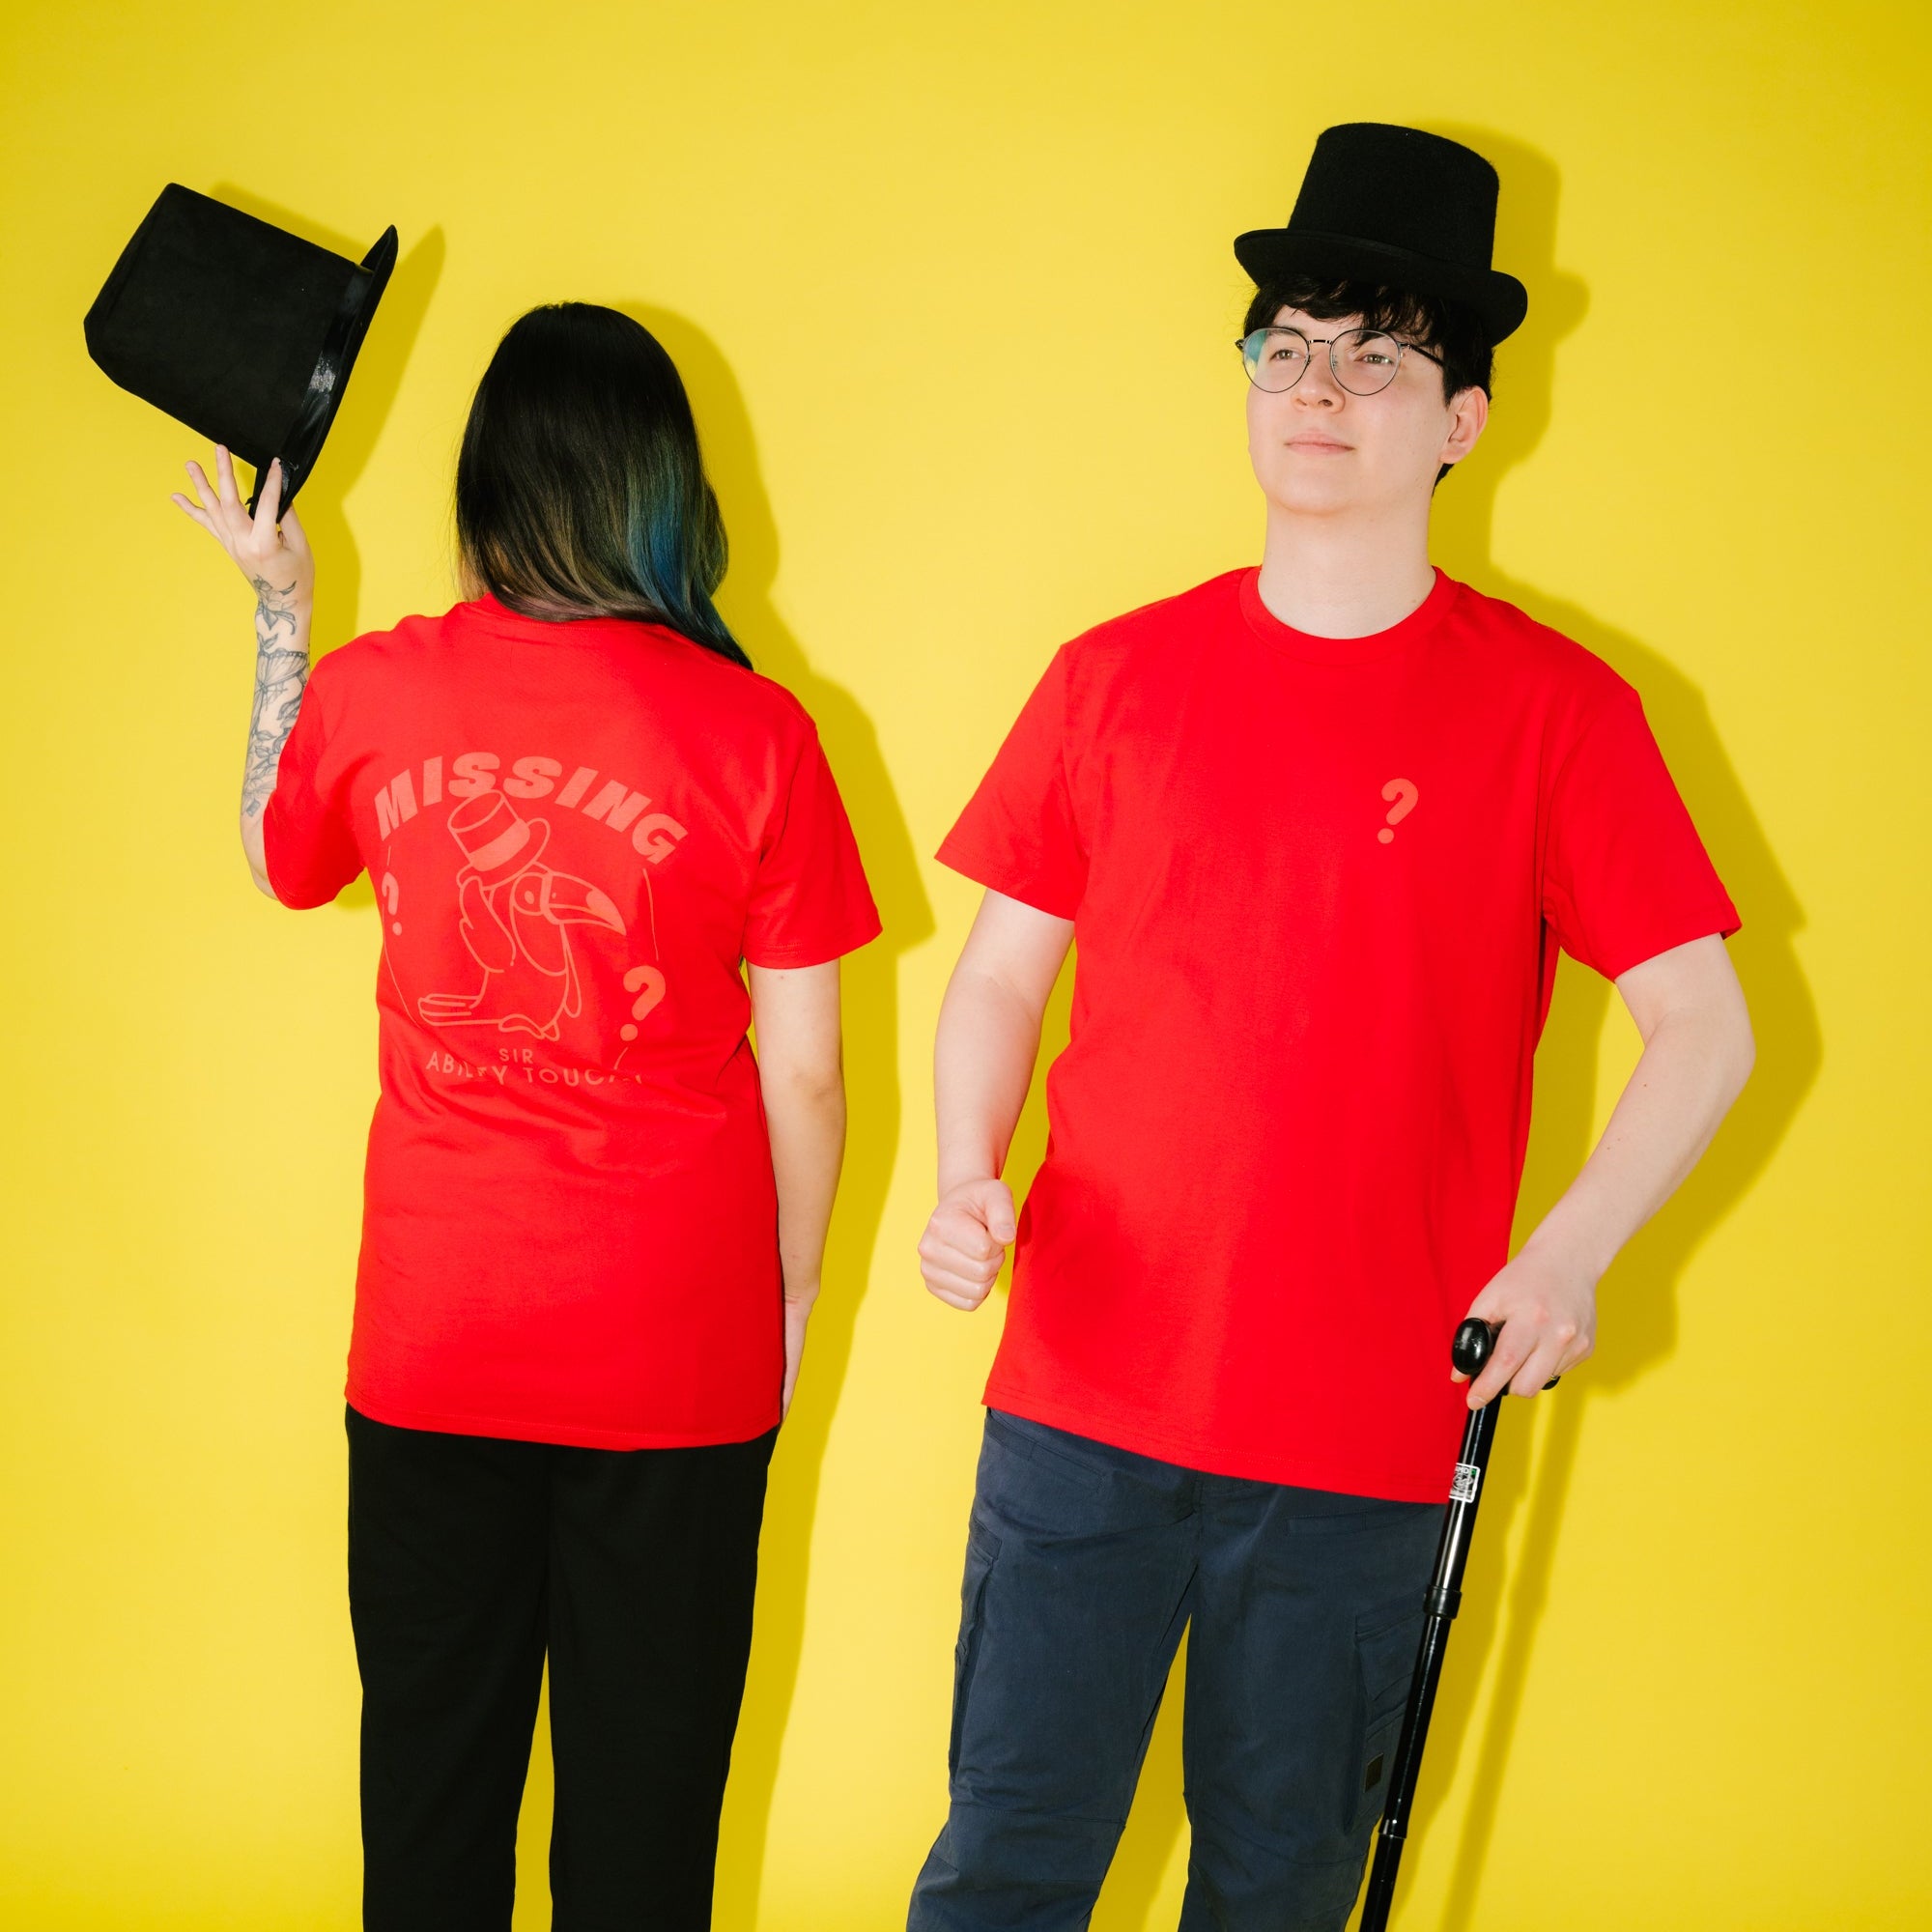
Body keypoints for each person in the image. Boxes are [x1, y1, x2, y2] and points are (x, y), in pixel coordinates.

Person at [909, 123, 1754, 1931]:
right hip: (1083, 1399)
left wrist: (1569, 1256)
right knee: (1005, 1867)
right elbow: (998, 974)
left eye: (1379, 359)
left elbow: (1702, 1020)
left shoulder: (1559, 714)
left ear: (1463, 420)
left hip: (1365, 1432)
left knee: (1280, 1891)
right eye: (1287, 347)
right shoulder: (1114, 677)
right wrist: (967, 1169)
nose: (1319, 390)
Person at [172, 302, 880, 1931]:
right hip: (674, 1355)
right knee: (646, 1820)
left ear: (485, 480)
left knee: (432, 1792)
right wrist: (788, 1301)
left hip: (436, 1344)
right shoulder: (760, 732)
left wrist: (284, 613)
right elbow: (809, 1075)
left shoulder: (379, 689)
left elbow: (278, 858)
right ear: (666, 491)